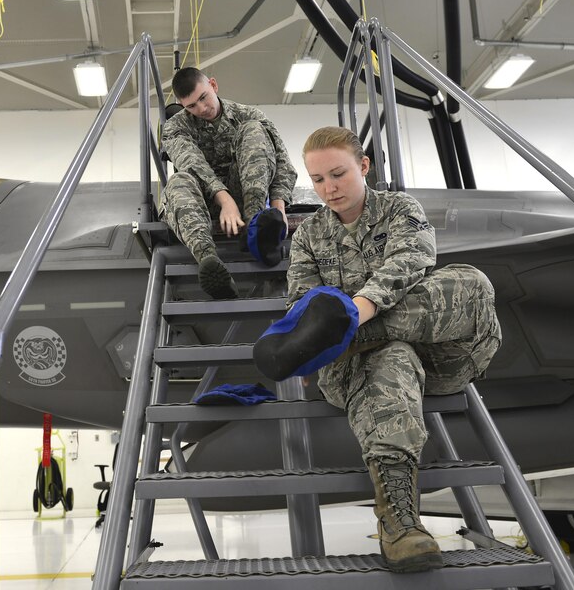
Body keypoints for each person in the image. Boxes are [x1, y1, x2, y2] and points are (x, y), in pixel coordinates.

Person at [274, 126, 502, 573]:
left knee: (471, 282)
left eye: (337, 174)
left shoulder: (400, 209)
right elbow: (302, 302)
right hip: (361, 370)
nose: (329, 188)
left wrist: (355, 314)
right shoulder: (308, 237)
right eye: (318, 180)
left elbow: (411, 260)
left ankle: (343, 335)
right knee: (390, 353)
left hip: (439, 353)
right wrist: (320, 326)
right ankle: (400, 523)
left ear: (363, 166)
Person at [159, 67, 298, 298]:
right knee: (178, 180)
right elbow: (193, 164)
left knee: (253, 131)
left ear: (213, 85)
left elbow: (282, 163)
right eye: (191, 106)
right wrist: (224, 201)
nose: (201, 109)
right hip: (204, 203)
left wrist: (278, 207)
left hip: (249, 197)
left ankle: (256, 225)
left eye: (203, 98)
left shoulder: (250, 115)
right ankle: (209, 262)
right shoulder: (175, 128)